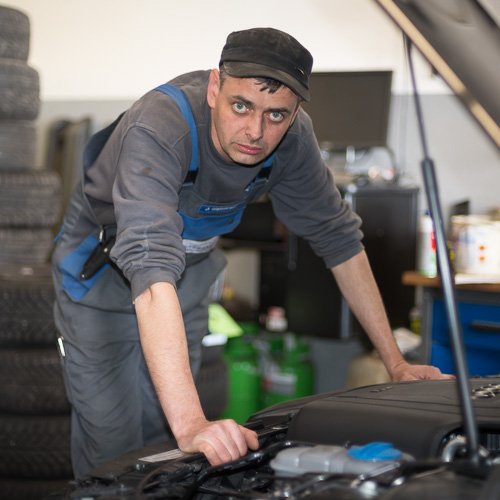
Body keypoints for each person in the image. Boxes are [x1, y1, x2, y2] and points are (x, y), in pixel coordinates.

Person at [52, 27, 452, 479]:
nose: (255, 132)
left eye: (276, 114)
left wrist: (396, 363)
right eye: (240, 106)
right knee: (114, 442)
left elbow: (341, 241)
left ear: (295, 112)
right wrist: (192, 423)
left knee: (161, 439)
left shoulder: (293, 140)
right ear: (214, 88)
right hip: (99, 280)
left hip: (185, 280)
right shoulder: (161, 125)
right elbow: (149, 263)